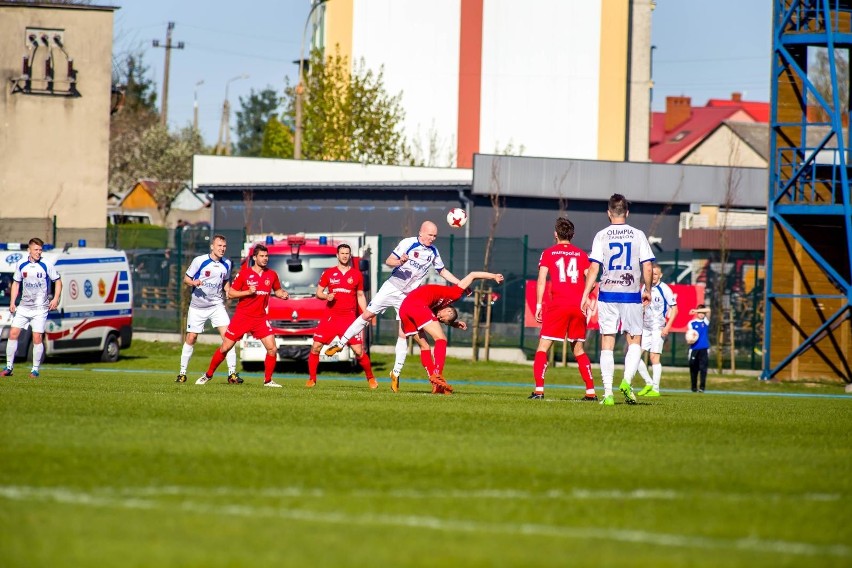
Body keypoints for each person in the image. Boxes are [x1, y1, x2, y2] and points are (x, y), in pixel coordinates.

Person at [324, 220, 460, 393]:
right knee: (367, 315)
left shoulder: (433, 252)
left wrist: (459, 283)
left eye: (435, 236)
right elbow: (389, 260)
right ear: (421, 232)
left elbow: (442, 271)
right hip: (392, 287)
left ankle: (395, 373)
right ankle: (342, 343)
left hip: (408, 297)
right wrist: (400, 261)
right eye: (430, 235)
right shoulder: (408, 243)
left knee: (404, 333)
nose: (432, 239)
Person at [580, 194, 654, 406]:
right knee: (634, 341)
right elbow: (647, 265)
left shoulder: (601, 235)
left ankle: (608, 393)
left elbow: (594, 267)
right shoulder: (638, 234)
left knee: (607, 342)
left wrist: (586, 294)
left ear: (609, 213)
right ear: (627, 213)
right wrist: (647, 289)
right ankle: (627, 381)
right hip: (631, 294)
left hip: (608, 294)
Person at [196, 244, 289, 387]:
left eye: (266, 256)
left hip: (260, 318)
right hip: (243, 316)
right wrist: (247, 292)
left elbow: (277, 290)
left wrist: (282, 294)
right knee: (225, 348)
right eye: (262, 256)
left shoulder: (272, 274)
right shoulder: (244, 274)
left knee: (272, 348)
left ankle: (268, 380)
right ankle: (208, 375)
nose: (265, 259)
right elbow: (231, 293)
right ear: (254, 257)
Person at [398, 270, 504, 394]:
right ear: (448, 311)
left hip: (404, 309)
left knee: (424, 346)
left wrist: (453, 323)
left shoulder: (435, 307)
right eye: (443, 318)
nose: (439, 318)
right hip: (416, 305)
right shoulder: (453, 294)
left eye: (442, 320)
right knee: (441, 339)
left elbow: (433, 320)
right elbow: (473, 275)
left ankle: (435, 384)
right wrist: (494, 276)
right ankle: (437, 374)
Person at [530, 217, 598, 401]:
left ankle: (539, 390)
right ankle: (590, 392)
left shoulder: (548, 253)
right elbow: (591, 280)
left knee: (543, 348)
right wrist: (585, 294)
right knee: (578, 350)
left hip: (558, 305)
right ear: (573, 235)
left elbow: (542, 280)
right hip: (578, 306)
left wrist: (538, 305)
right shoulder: (582, 255)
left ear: (555, 234)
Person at [306, 243, 378, 389]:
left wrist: (366, 315)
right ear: (337, 255)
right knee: (316, 347)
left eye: (347, 253)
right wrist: (327, 296)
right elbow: (318, 293)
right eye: (342, 253)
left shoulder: (356, 274)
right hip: (330, 318)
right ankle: (312, 379)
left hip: (349, 319)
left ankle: (370, 378)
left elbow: (360, 296)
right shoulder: (328, 273)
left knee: (358, 351)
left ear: (349, 255)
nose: (345, 256)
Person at [175, 234, 241, 384]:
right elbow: (186, 279)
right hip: (198, 306)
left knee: (229, 339)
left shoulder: (227, 263)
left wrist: (229, 292)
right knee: (192, 337)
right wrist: (194, 282)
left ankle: (232, 374)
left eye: (224, 246)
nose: (222, 249)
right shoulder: (200, 261)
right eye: (219, 246)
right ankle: (182, 373)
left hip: (216, 305)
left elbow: (225, 282)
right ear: (212, 246)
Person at [1, 238, 62, 378]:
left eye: (40, 250)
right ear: (29, 250)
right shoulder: (21, 264)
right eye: (36, 250)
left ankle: (35, 370)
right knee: (13, 334)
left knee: (37, 338)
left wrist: (55, 298)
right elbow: (16, 284)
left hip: (40, 308)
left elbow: (58, 281)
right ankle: (9, 367)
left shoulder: (46, 264)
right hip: (23, 307)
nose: (38, 252)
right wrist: (12, 302)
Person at [636, 263, 678, 397]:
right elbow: (642, 306)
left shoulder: (665, 289)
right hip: (645, 327)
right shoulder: (644, 288)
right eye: (651, 273)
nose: (653, 276)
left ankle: (655, 389)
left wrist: (667, 326)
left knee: (654, 357)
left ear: (660, 275)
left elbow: (675, 309)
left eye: (655, 274)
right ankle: (648, 382)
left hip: (658, 327)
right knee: (635, 355)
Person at [687, 304, 712, 392]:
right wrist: (689, 340)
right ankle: (693, 387)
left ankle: (702, 387)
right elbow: (689, 335)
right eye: (699, 312)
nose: (701, 314)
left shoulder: (705, 322)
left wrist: (696, 310)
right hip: (694, 349)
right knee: (693, 368)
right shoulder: (692, 323)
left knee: (703, 369)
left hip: (704, 348)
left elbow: (708, 310)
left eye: (702, 312)